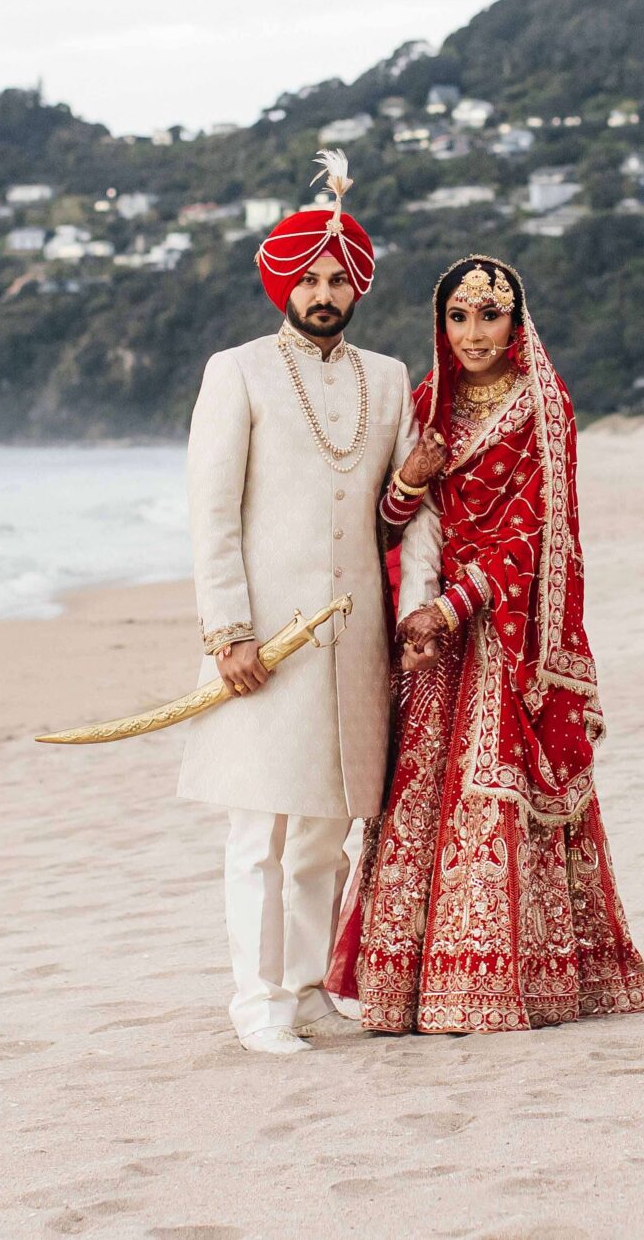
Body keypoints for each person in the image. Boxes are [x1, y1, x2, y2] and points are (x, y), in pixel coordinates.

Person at [329, 254, 644, 1034]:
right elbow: (387, 521)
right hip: (429, 630)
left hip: (502, 627)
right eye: (459, 316)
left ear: (517, 323)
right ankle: (409, 988)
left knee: (497, 791)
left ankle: (504, 983)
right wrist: (411, 479)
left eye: (490, 314)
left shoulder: (544, 406)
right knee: (415, 800)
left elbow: (541, 532)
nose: (474, 331)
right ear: (439, 324)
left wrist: (455, 606)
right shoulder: (426, 404)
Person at [180, 153, 420, 1055]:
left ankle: (310, 987)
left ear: (356, 287)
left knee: (327, 832)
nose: (325, 291)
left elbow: (405, 511)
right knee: (259, 831)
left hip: (355, 647)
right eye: (310, 277)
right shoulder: (235, 371)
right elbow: (211, 511)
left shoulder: (389, 378)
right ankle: (257, 1004)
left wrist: (413, 613)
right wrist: (227, 632)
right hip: (264, 645)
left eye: (338, 278)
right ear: (284, 281)